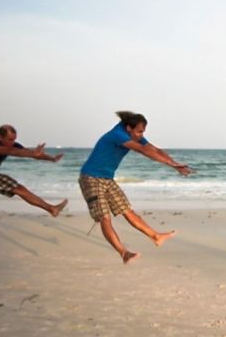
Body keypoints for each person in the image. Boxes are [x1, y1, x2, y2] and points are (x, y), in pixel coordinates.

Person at [80, 111, 192, 264]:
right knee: (105, 218)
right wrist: (170, 164)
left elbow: (154, 149)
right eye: (139, 131)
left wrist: (174, 164)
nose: (141, 135)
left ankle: (156, 236)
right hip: (91, 178)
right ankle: (124, 253)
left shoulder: (133, 134)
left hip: (107, 179)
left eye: (143, 132)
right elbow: (142, 150)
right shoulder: (118, 135)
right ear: (128, 128)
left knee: (127, 211)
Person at [0, 124, 68, 240]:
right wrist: (32, 153)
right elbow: (12, 151)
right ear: (0, 137)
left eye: (14, 139)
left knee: (20, 189)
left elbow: (27, 152)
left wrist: (52, 159)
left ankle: (52, 209)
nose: (13, 142)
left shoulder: (10, 144)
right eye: (10, 139)